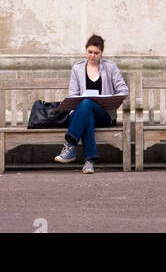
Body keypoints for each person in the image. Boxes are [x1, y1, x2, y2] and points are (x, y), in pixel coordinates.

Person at [54, 34, 129, 173]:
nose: (93, 55)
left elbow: (123, 90)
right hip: (81, 114)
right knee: (87, 112)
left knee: (87, 103)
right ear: (86, 50)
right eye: (90, 52)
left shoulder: (110, 67)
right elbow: (73, 94)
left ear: (101, 53)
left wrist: (110, 98)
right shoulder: (77, 68)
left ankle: (70, 145)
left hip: (104, 115)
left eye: (96, 53)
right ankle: (89, 162)